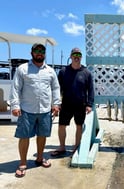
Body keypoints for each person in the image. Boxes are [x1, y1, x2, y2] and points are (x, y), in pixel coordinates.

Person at [9, 43, 61, 178]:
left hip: (45, 110)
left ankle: (39, 158)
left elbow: (55, 88)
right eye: (37, 50)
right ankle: (22, 163)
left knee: (42, 135)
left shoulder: (50, 71)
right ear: (31, 53)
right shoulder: (22, 69)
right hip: (26, 109)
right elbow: (15, 88)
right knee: (24, 136)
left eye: (42, 51)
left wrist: (56, 104)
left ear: (45, 53)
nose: (40, 53)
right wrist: (15, 105)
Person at [51, 47, 94, 157]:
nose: (76, 57)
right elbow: (57, 89)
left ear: (81, 57)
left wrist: (89, 104)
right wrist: (56, 103)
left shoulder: (87, 73)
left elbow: (91, 90)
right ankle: (62, 147)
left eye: (79, 55)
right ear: (70, 57)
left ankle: (76, 147)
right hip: (66, 104)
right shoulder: (63, 71)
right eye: (74, 55)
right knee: (61, 125)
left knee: (79, 126)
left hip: (81, 104)